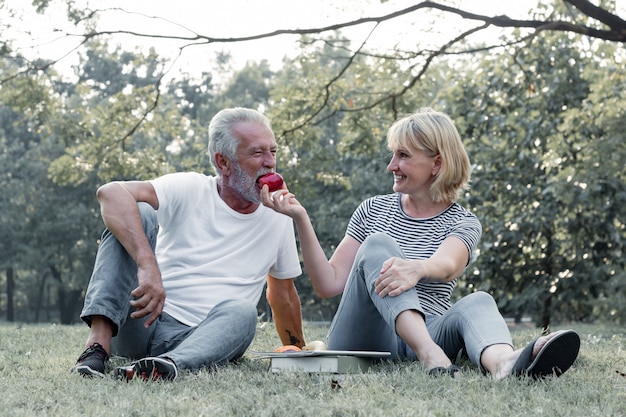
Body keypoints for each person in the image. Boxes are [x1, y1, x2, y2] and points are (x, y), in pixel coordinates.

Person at [261, 107, 580, 379]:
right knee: (378, 244)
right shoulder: (373, 209)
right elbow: (328, 284)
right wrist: (300, 217)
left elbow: (448, 265)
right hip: (367, 339)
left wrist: (415, 269)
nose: (391, 165)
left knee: (479, 300)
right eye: (393, 155)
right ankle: (430, 355)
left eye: (403, 156)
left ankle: (504, 363)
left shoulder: (462, 221)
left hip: (432, 329)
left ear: (437, 164)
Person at [71, 107, 305, 381]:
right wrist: (148, 266)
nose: (269, 162)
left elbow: (284, 295)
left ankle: (164, 366)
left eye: (273, 152)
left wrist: (300, 349)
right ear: (223, 162)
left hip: (207, 337)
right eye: (257, 152)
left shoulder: (279, 216)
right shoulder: (190, 188)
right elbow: (110, 194)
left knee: (243, 312)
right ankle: (96, 348)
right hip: (144, 318)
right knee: (137, 210)